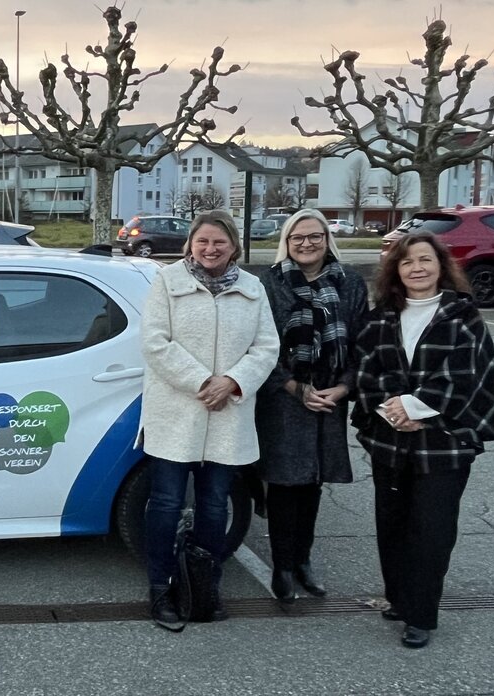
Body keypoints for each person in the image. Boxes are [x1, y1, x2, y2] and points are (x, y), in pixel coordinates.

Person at [351, 231, 494, 649]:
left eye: (425, 260)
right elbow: (366, 371)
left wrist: (416, 408)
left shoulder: (463, 315)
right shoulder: (380, 318)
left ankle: (421, 615)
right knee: (392, 524)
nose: (416, 268)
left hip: (444, 440)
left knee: (431, 530)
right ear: (395, 270)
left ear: (440, 266)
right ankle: (399, 598)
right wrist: (393, 410)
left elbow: (466, 374)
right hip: (390, 438)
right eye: (407, 262)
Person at [138, 209, 279, 632]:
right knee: (165, 503)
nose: (210, 248)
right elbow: (155, 342)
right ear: (190, 244)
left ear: (234, 246)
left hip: (227, 413)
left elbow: (266, 347)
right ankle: (161, 588)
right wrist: (202, 381)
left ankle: (204, 587)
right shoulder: (167, 281)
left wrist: (233, 382)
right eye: (202, 241)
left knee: (215, 505)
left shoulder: (253, 288)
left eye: (219, 242)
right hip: (177, 411)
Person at [256, 210, 368, 602]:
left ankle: (303, 560)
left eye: (314, 236)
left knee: (313, 483)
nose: (306, 244)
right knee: (284, 485)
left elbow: (362, 342)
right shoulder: (269, 283)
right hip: (283, 398)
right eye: (297, 237)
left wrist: (343, 387)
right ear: (286, 242)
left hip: (328, 398)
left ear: (326, 239)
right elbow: (258, 344)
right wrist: (292, 386)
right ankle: (283, 568)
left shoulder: (350, 282)